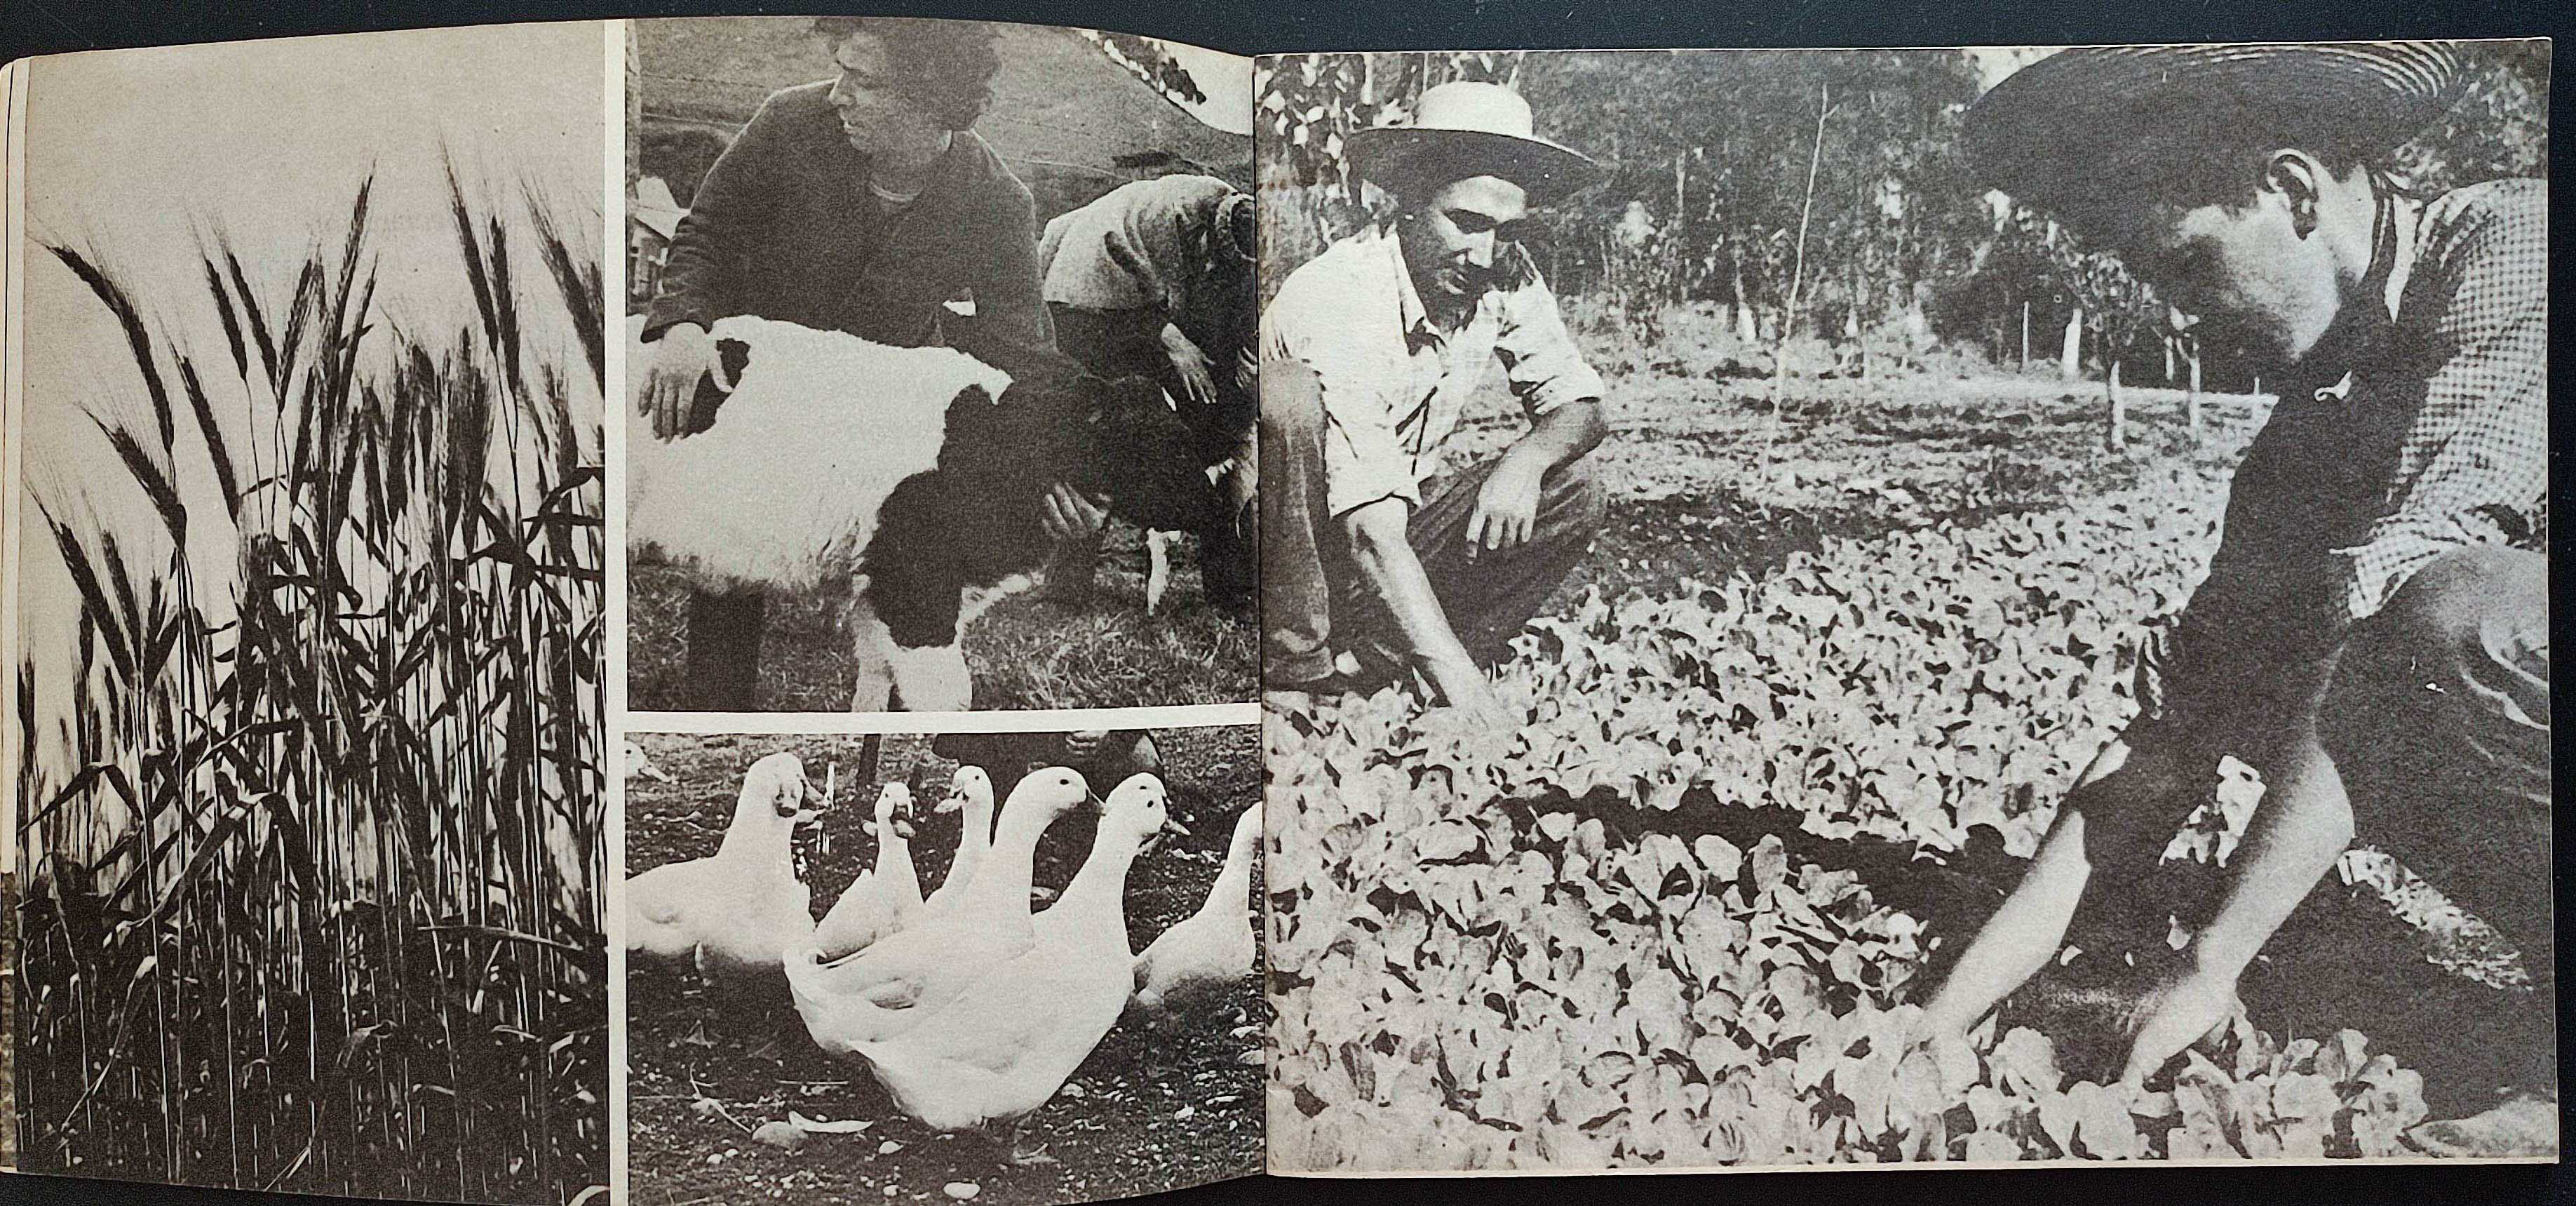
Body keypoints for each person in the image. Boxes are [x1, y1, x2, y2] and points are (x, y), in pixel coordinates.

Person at [1922, 43, 2549, 1146]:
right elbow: (2166, 746)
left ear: (2293, 191)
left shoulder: (2518, 248)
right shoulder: (2309, 436)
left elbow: (2419, 585)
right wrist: (1936, 1023)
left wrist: (2210, 963)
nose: (2175, 316)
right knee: (2282, 676)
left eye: (2185, 266)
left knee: (2452, 615)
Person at [633, 16, 1106, 710]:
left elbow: (1025, 351)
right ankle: (718, 706)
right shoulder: (788, 122)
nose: (838, 95)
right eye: (839, 69)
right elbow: (706, 229)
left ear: (931, 99)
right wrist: (680, 326)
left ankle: (880, 730)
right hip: (745, 388)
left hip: (867, 414)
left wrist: (1065, 476)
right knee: (724, 566)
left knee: (907, 574)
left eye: (864, 80)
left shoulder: (996, 199)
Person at [1260, 81, 1610, 722]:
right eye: (1468, 223)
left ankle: (1376, 664)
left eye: (1505, 231)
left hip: (1381, 535)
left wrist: (1527, 461)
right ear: (1411, 202)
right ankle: (1295, 672)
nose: (1484, 253)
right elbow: (1367, 525)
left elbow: (1582, 404)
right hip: (1279, 556)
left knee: (1574, 483)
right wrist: (1465, 684)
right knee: (1287, 397)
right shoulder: (1343, 294)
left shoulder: (1504, 270)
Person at [1035, 174, 1259, 610]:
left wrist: (1240, 369)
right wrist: (1171, 339)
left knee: (1212, 448)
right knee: (1095, 438)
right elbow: (1145, 299)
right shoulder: (1167, 214)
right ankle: (1065, 588)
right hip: (1089, 308)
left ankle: (1230, 590)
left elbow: (1223, 315)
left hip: (1147, 317)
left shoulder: (1235, 235)